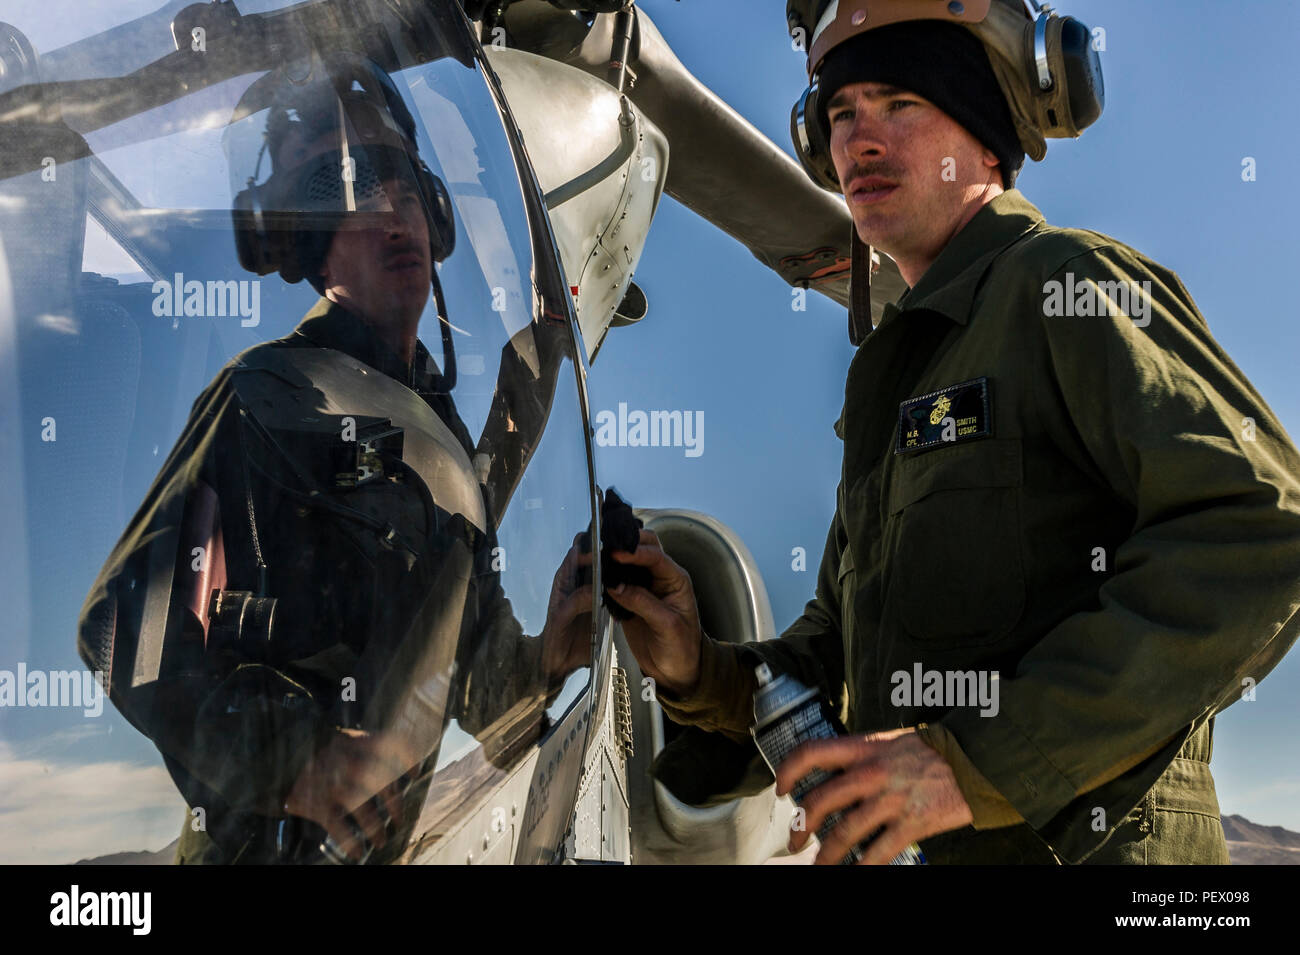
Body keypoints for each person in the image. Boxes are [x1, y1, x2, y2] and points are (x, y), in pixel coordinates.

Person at [609, 0, 1300, 864]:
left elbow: (1263, 530)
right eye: (839, 113)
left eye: (899, 104)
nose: (859, 141)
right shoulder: (901, 379)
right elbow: (830, 661)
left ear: (983, 139)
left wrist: (974, 766)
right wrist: (694, 666)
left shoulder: (1064, 285)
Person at [76, 54, 590, 864]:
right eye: (355, 197)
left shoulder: (443, 443)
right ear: (312, 243)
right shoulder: (270, 395)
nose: (395, 218)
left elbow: (479, 689)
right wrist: (300, 763)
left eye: (406, 192)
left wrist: (553, 650)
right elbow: (123, 631)